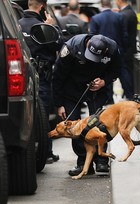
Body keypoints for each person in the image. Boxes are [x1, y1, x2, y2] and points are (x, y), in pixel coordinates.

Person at [52, 34, 121, 175]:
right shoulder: (71, 48)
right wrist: (59, 104)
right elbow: (57, 76)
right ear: (87, 43)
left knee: (100, 125)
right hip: (72, 88)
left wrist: (104, 81)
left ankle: (101, 160)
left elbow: (117, 70)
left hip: (97, 89)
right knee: (74, 127)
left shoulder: (113, 49)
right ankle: (83, 162)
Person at [19, 0, 61, 163]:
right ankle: (46, 152)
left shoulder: (16, 24)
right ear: (42, 8)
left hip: (22, 76)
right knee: (42, 116)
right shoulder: (43, 27)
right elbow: (59, 46)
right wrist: (52, 26)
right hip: (42, 77)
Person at [89, 0, 128, 103]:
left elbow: (92, 37)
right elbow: (125, 35)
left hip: (101, 52)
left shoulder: (96, 18)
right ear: (110, 4)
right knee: (122, 73)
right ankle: (129, 95)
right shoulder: (119, 17)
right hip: (118, 50)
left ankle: (109, 99)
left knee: (105, 74)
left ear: (101, 4)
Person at [115, 0, 137, 100]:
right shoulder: (129, 12)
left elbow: (125, 35)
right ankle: (129, 95)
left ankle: (130, 96)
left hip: (126, 51)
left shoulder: (124, 14)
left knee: (126, 74)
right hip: (130, 50)